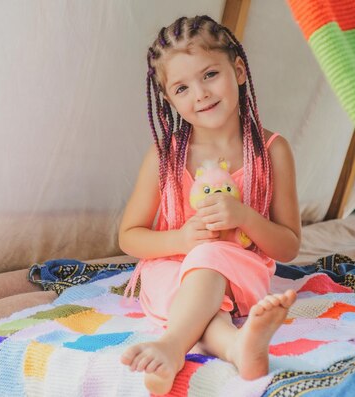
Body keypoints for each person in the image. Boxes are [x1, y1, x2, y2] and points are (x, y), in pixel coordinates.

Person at [118, 15, 301, 395]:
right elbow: (129, 237)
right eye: (182, 87)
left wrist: (245, 217)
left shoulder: (272, 151)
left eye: (209, 75)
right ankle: (236, 347)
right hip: (171, 271)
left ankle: (170, 346)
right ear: (168, 99)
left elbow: (289, 246)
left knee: (210, 260)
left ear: (237, 71)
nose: (200, 94)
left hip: (242, 272)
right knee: (200, 299)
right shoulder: (165, 157)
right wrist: (181, 241)